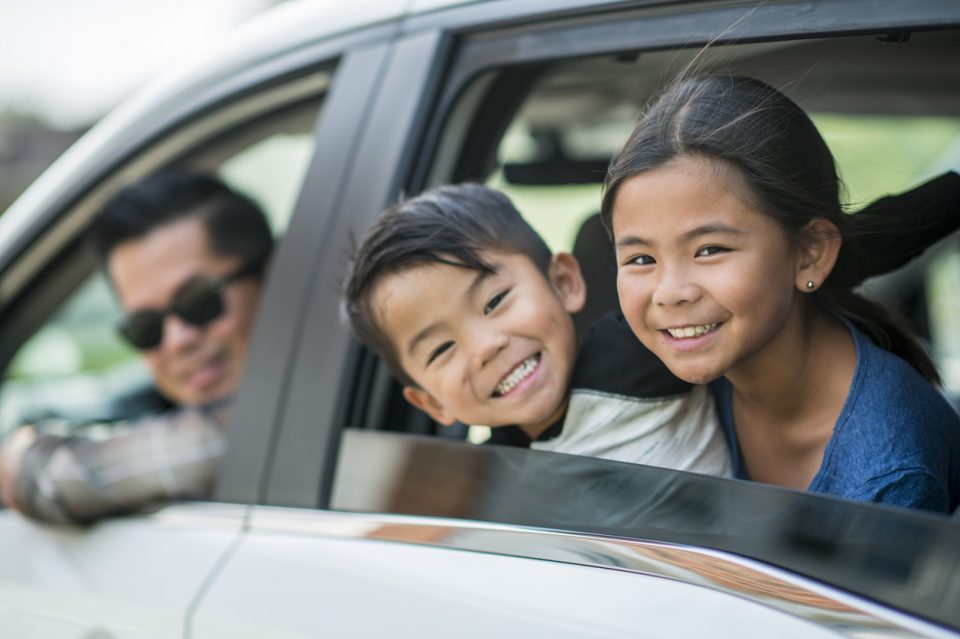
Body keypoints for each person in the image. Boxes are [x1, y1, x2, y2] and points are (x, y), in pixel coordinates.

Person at [601, 74, 960, 512]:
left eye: (710, 249)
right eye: (640, 259)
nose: (670, 293)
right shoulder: (650, 372)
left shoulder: (889, 472)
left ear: (809, 254)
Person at [344, 183, 733, 475]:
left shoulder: (636, 350)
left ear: (563, 282)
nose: (485, 347)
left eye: (495, 302)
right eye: (442, 349)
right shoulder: (491, 476)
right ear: (432, 403)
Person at [0, 171, 273, 525]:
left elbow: (44, 478)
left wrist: (26, 458)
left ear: (270, 276)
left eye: (198, 301)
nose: (178, 341)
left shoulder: (263, 433)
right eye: (145, 328)